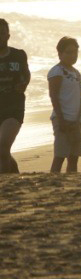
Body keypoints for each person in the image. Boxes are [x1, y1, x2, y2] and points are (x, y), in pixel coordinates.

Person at [47, 37, 81, 173]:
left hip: (78, 120)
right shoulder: (56, 71)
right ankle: (52, 184)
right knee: (60, 156)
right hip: (64, 119)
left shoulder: (76, 72)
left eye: (75, 52)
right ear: (60, 53)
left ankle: (71, 185)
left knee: (74, 157)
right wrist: (62, 119)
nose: (73, 56)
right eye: (68, 52)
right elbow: (53, 96)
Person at [0, 19, 30, 174]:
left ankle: (3, 186)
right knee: (2, 152)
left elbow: (26, 75)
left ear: (8, 35)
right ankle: (14, 174)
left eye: (2, 33)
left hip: (13, 108)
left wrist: (24, 83)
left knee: (3, 146)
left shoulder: (18, 55)